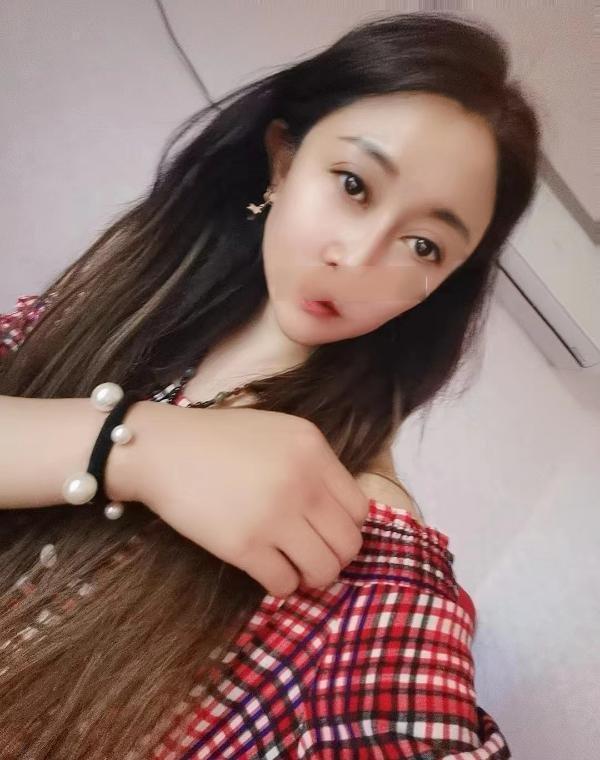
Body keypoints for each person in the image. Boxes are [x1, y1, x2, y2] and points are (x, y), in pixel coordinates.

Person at [0, 10, 540, 759]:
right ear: (283, 161)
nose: (359, 257)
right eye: (353, 184)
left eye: (423, 245)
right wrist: (136, 447)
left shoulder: (363, 544)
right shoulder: (104, 315)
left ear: (442, 283)